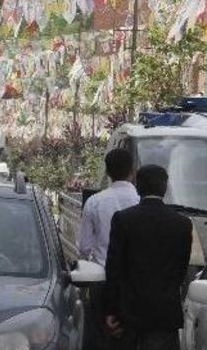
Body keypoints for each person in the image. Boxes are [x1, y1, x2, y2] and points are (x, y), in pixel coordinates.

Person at [105, 165, 193, 350]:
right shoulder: (182, 224)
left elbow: (114, 269)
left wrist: (111, 309)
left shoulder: (123, 219)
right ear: (165, 188)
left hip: (128, 312)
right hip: (164, 314)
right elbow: (181, 270)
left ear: (137, 187)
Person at [78, 148, 139, 350]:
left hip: (101, 281)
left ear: (108, 172)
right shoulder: (140, 202)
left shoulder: (94, 202)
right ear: (132, 171)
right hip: (135, 284)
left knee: (101, 337)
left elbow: (84, 247)